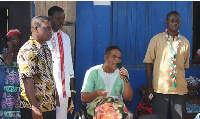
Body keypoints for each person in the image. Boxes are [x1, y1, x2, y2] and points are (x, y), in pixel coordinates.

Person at [143, 11, 190, 119]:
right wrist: (149, 86)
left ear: (181, 23)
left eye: (177, 21)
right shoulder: (156, 39)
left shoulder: (185, 42)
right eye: (172, 21)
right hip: (160, 89)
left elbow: (184, 65)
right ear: (166, 23)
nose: (175, 23)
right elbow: (149, 63)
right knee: (159, 117)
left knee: (179, 117)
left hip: (180, 89)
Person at [17, 16, 59, 119]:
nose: (50, 31)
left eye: (51, 28)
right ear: (36, 29)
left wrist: (55, 94)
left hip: (49, 105)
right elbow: (27, 80)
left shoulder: (46, 49)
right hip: (34, 107)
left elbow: (49, 75)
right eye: (47, 28)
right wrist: (34, 107)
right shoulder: (27, 50)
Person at [81, 46, 134, 118]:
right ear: (105, 57)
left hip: (117, 106)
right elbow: (84, 98)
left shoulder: (122, 73)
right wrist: (97, 93)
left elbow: (128, 98)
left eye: (119, 58)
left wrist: (126, 81)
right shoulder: (93, 72)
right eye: (114, 57)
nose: (117, 60)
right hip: (97, 106)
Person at [47, 6, 75, 119]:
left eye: (63, 18)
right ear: (50, 18)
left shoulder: (65, 38)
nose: (61, 22)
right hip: (46, 90)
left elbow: (69, 65)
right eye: (58, 18)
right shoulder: (42, 37)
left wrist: (72, 91)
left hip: (63, 90)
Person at [0, 29, 21, 119]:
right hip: (9, 85)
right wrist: (10, 48)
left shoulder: (23, 50)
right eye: (13, 39)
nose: (16, 41)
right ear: (9, 41)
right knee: (9, 106)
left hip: (20, 83)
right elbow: (8, 62)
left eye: (17, 39)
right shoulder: (6, 51)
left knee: (19, 107)